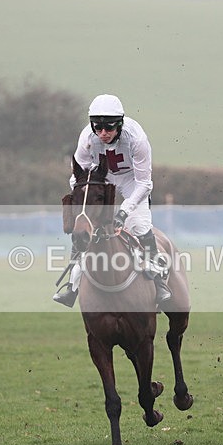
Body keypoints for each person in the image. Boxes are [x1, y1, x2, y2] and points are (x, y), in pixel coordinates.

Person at [53, 94, 172, 307]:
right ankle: (72, 285)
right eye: (98, 128)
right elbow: (78, 176)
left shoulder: (137, 139)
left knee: (139, 224)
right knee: (83, 227)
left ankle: (159, 280)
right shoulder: (87, 138)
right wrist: (84, 203)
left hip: (131, 181)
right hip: (101, 180)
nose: (103, 134)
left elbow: (145, 183)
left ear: (120, 124)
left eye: (108, 128)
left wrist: (124, 211)